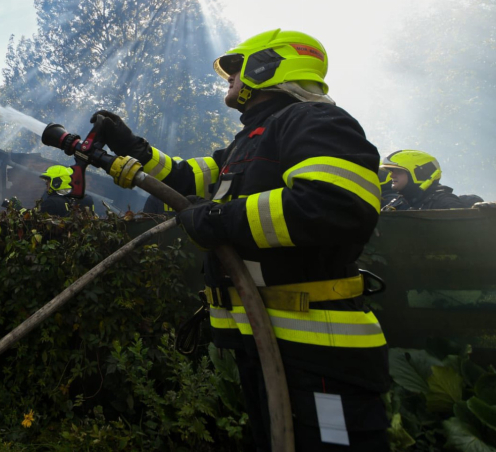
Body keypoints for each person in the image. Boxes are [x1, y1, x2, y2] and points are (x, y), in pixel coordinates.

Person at [95, 29, 389, 451]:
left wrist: (218, 219)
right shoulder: (248, 143)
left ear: (268, 66)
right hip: (264, 345)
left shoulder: (317, 121)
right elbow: (183, 178)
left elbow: (335, 207)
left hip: (322, 354)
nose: (227, 77)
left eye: (235, 67)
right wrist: (132, 147)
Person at [381, 150, 480, 210]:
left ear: (419, 174)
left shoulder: (444, 202)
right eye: (391, 171)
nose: (391, 176)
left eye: (398, 171)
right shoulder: (399, 203)